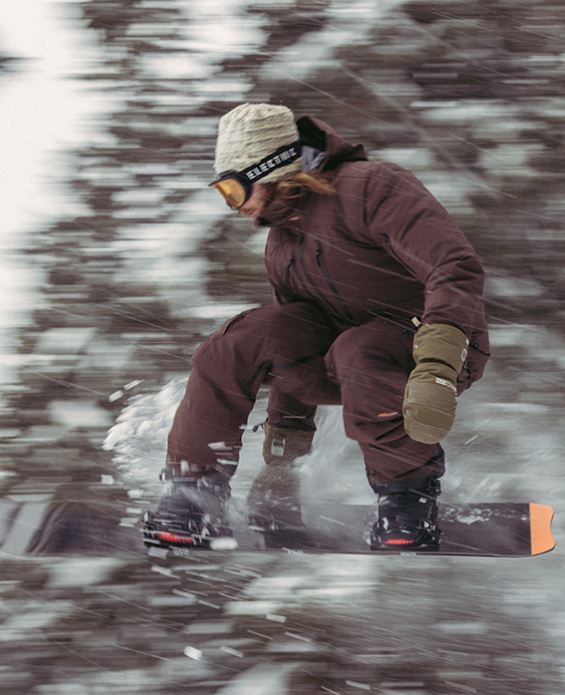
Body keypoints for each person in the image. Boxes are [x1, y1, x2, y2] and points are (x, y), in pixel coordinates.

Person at [143, 103, 489, 551]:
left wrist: (438, 366)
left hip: (435, 343)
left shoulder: (371, 187)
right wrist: (282, 465)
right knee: (237, 342)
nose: (233, 207)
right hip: (343, 356)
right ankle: (194, 497)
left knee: (359, 349)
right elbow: (290, 341)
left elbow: (453, 268)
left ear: (268, 170)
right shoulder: (282, 241)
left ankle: (408, 500)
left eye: (233, 190)